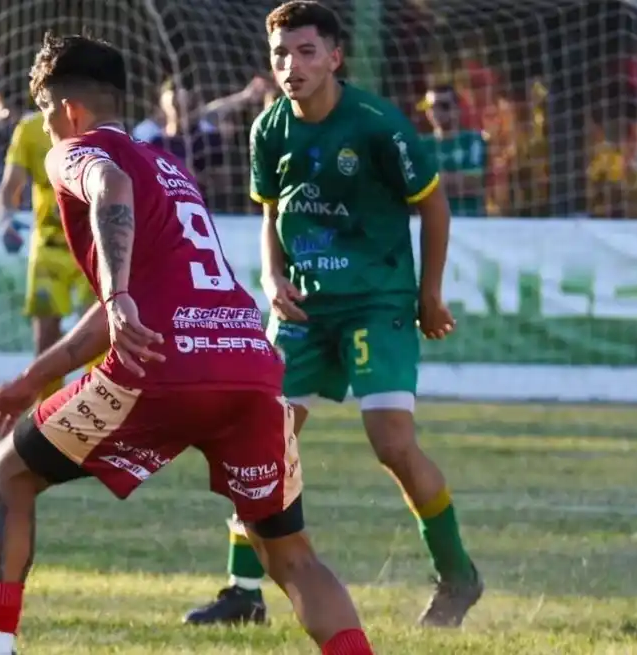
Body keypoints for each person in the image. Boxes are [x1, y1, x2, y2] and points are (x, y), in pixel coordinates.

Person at [0, 33, 374, 655]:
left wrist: (117, 288)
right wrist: (35, 376)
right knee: (290, 554)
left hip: (162, 364)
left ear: (69, 111)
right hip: (251, 366)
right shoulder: (172, 168)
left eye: (46, 115)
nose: (45, 131)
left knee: (12, 472)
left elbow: (106, 187)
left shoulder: (76, 151)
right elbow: (118, 313)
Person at [183, 1, 482, 629]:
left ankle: (458, 576)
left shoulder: (378, 125)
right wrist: (270, 277)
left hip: (376, 301)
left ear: (335, 56)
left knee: (393, 445)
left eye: (305, 52)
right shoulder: (269, 128)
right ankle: (243, 591)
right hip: (302, 309)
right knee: (260, 439)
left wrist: (429, 294)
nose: (291, 66)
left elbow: (433, 208)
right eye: (280, 55)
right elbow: (271, 213)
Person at [0, 109, 98, 398]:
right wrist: (5, 222)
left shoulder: (96, 125)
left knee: (98, 340)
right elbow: (9, 188)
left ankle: (96, 413)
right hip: (48, 249)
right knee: (46, 341)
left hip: (92, 247)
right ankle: (46, 419)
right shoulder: (29, 129)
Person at [419, 84, 487, 217]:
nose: (436, 111)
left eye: (444, 106)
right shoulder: (421, 144)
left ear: (457, 109)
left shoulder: (473, 140)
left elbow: (474, 183)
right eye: (431, 106)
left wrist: (430, 184)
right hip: (433, 222)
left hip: (470, 221)